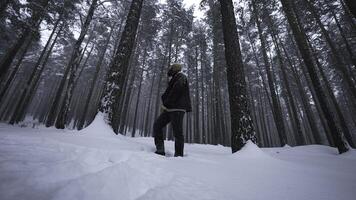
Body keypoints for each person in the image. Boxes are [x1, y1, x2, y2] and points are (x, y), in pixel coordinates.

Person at [153, 63, 192, 157]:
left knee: (177, 132)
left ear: (175, 69)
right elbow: (171, 92)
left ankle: (178, 156)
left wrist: (166, 103)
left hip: (178, 108)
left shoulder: (181, 77)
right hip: (170, 108)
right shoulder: (175, 78)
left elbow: (177, 90)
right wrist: (165, 102)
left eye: (171, 68)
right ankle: (160, 149)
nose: (169, 70)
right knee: (157, 125)